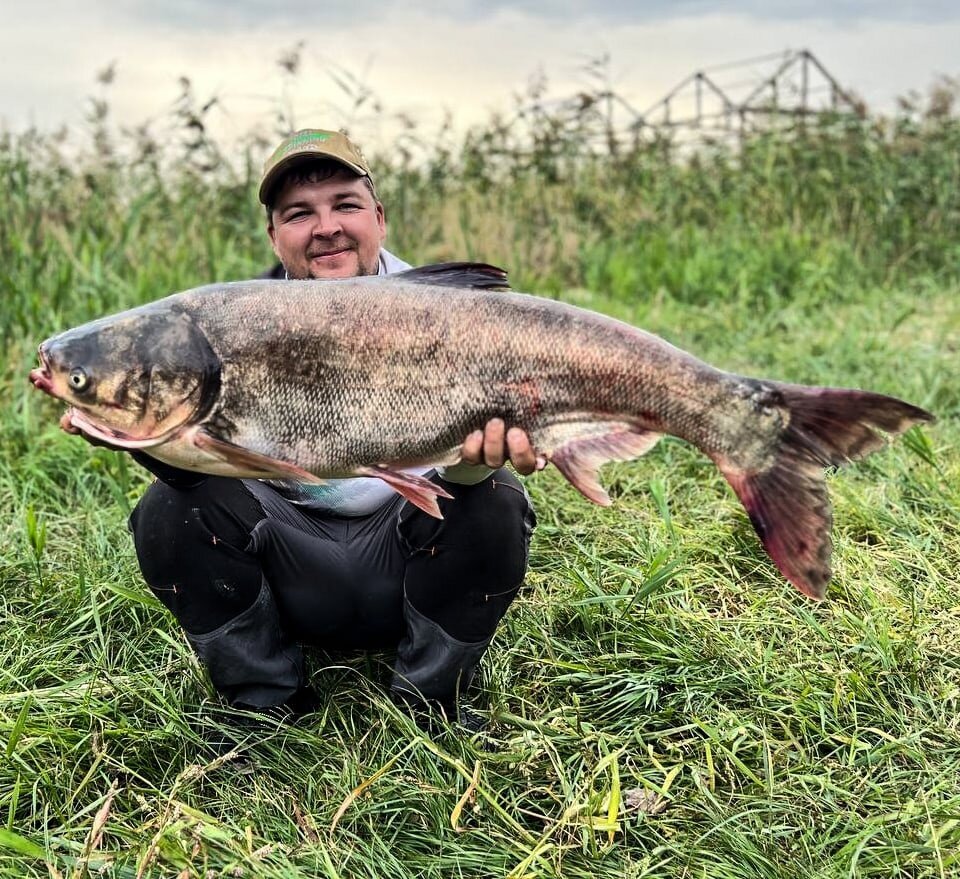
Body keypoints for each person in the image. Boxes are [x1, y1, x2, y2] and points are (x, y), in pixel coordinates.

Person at [121, 129, 538, 733]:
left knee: (495, 497)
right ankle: (265, 708)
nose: (327, 228)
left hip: (412, 561)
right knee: (168, 507)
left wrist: (479, 462)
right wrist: (131, 427)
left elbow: (467, 481)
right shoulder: (239, 326)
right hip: (291, 566)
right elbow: (197, 475)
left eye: (345, 204)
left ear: (380, 218)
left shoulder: (451, 314)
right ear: (273, 236)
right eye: (299, 214)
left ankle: (430, 705)